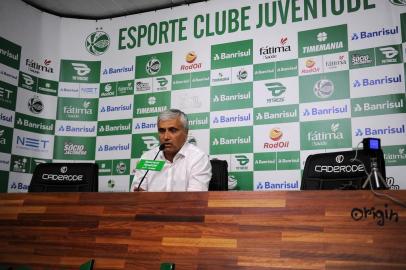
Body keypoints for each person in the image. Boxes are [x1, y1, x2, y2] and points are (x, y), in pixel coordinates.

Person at [131, 109, 212, 191]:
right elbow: (137, 193)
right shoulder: (147, 158)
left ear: (186, 133)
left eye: (173, 130)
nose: (166, 137)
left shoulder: (198, 158)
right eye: (162, 131)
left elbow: (194, 198)